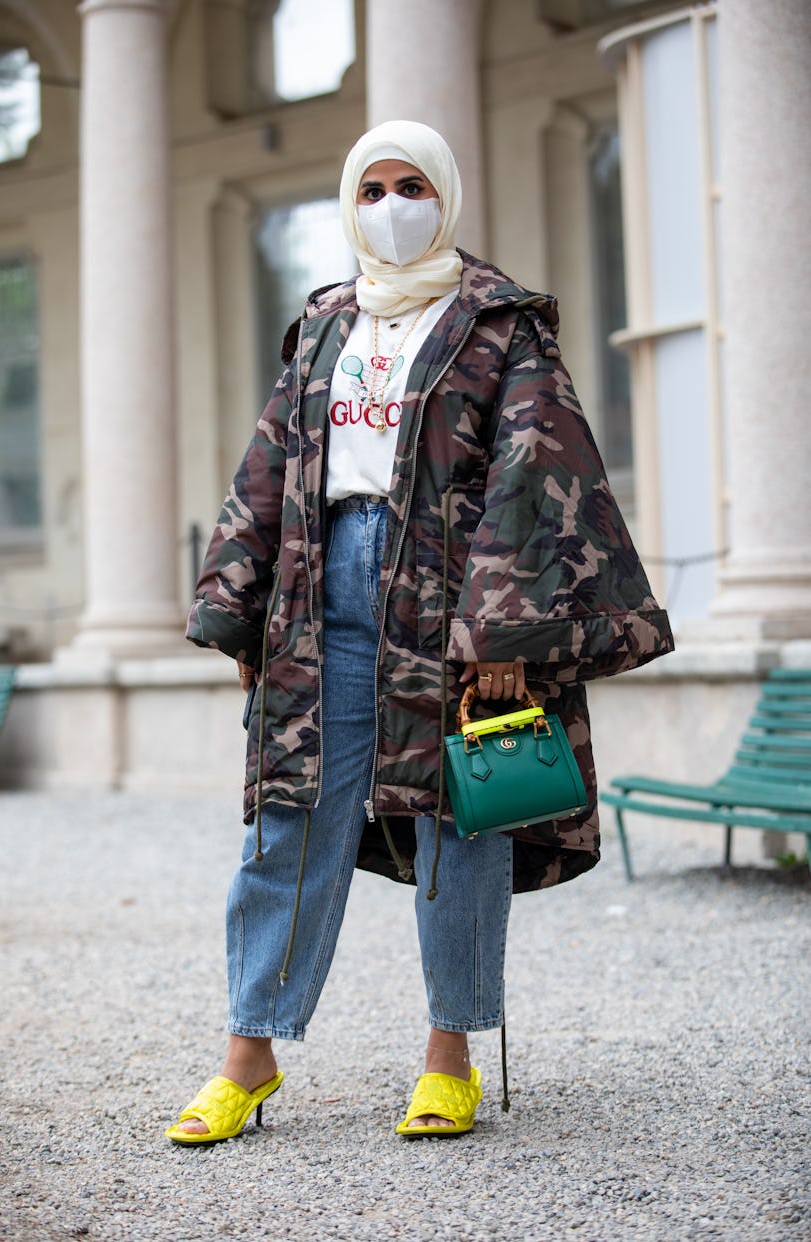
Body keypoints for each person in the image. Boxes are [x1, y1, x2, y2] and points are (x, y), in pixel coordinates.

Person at [165, 120, 673, 1144]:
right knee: (290, 815)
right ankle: (247, 1056)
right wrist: (238, 607)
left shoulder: (501, 326)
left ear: (444, 196)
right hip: (321, 595)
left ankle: (450, 1056)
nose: (392, 206)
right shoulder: (321, 328)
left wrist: (501, 636)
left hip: (454, 601)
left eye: (412, 186)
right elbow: (269, 465)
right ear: (351, 203)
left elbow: (538, 475)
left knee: (460, 819)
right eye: (372, 189)